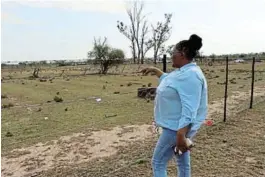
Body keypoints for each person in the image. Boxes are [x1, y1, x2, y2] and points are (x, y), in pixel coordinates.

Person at [141, 34, 208, 177]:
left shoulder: (191, 75)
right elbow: (170, 80)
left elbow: (190, 108)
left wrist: (181, 134)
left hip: (175, 129)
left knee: (158, 162)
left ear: (182, 53)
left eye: (173, 53)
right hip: (177, 128)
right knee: (182, 162)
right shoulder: (183, 72)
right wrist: (156, 71)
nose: (172, 56)